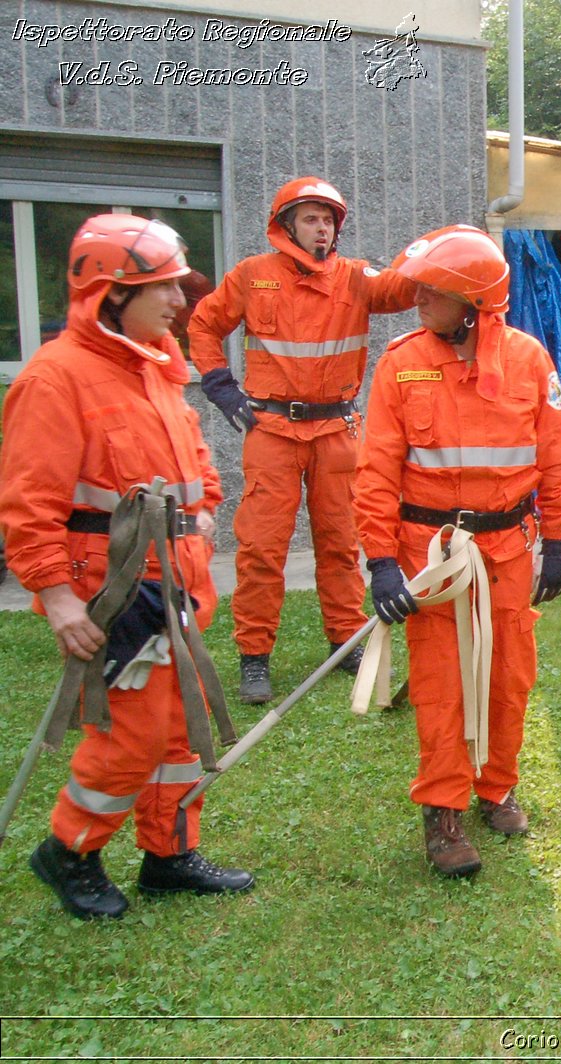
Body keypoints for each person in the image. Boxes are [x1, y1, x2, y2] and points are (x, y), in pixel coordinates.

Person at [0, 214, 253, 919]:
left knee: (180, 730)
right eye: (164, 287)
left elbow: (195, 461)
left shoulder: (156, 367)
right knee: (131, 734)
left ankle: (168, 855)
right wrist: (56, 598)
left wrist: (202, 508)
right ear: (111, 293)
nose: (181, 302)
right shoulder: (55, 380)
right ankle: (69, 850)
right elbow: (27, 503)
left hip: (176, 582)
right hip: (111, 590)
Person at [353, 225, 561, 878]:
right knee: (442, 685)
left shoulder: (529, 361)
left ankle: (496, 786)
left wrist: (558, 542)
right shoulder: (401, 362)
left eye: (436, 289)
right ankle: (443, 813)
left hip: (507, 550)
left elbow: (557, 457)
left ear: (475, 301)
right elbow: (375, 471)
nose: (420, 296)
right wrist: (381, 561)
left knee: (509, 676)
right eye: (421, 286)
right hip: (432, 555)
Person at [188, 176, 418, 705]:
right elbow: (203, 324)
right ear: (286, 223)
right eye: (311, 218)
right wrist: (221, 388)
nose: (321, 228)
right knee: (261, 549)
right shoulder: (253, 275)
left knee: (340, 546)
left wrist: (436, 255)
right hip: (270, 431)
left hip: (336, 430)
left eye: (329, 220)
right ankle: (254, 658)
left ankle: (344, 642)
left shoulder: (357, 277)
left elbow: (406, 288)